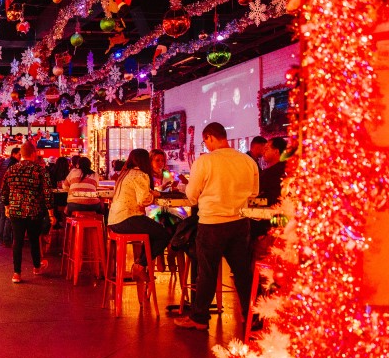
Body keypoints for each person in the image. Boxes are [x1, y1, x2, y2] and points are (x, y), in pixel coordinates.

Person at [174, 122, 259, 331]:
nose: (206, 145)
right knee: (242, 272)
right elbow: (254, 193)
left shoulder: (205, 161)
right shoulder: (247, 161)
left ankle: (199, 317)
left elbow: (191, 195)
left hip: (212, 223)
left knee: (208, 272)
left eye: (205, 141)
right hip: (240, 223)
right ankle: (251, 317)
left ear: (210, 137)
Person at [107, 149, 171, 281]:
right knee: (164, 235)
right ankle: (140, 266)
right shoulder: (140, 174)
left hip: (114, 220)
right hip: (128, 217)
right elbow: (143, 200)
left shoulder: (124, 174)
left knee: (151, 232)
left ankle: (141, 264)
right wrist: (154, 195)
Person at [0, 142, 56, 283]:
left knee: (17, 241)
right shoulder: (40, 170)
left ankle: (16, 273)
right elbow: (48, 193)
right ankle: (37, 267)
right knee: (34, 240)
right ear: (33, 153)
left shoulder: (12, 169)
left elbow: (4, 191)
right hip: (34, 210)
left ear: (21, 154)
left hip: (15, 210)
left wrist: (7, 207)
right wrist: (51, 214)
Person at [251, 136, 288, 240]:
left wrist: (249, 203)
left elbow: (270, 199)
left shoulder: (275, 173)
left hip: (270, 222)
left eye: (267, 149)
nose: (263, 152)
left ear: (276, 152)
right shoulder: (282, 169)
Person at [0, 147, 21, 246]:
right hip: (9, 193)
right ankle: (6, 239)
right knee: (9, 217)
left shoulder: (4, 162)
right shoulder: (14, 164)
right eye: (19, 154)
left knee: (2, 216)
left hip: (1, 192)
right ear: (14, 154)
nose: (20, 157)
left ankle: (0, 238)